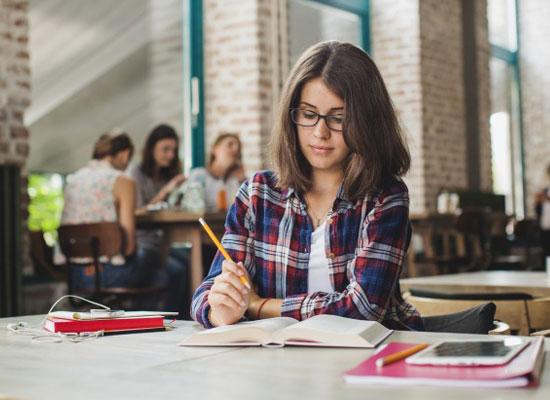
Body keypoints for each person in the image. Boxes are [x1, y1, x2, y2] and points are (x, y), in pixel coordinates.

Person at [190, 41, 424, 330]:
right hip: (279, 360)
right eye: (308, 114)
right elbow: (205, 295)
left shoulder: (385, 197)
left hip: (369, 359)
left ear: (367, 122)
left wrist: (257, 305)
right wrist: (221, 310)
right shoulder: (257, 194)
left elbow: (364, 309)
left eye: (338, 118)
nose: (320, 132)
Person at [61, 130, 165, 294]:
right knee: (165, 273)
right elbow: (129, 247)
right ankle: (136, 318)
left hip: (74, 275)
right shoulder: (123, 181)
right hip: (111, 274)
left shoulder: (73, 179)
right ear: (125, 154)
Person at [127, 124, 190, 317]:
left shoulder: (166, 174)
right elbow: (136, 212)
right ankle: (170, 318)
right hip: (141, 242)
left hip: (162, 242)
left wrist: (178, 194)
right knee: (177, 270)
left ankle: (181, 318)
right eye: (165, 149)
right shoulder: (135, 173)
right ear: (151, 148)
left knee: (191, 264)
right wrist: (166, 191)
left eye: (173, 150)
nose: (170, 155)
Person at [187, 133, 246, 212]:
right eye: (230, 145)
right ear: (215, 149)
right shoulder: (198, 175)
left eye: (238, 148)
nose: (235, 149)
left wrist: (243, 181)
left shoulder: (236, 180)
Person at [535, 164, 550, 266]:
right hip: (545, 227)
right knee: (546, 252)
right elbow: (538, 211)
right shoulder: (544, 191)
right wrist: (537, 202)